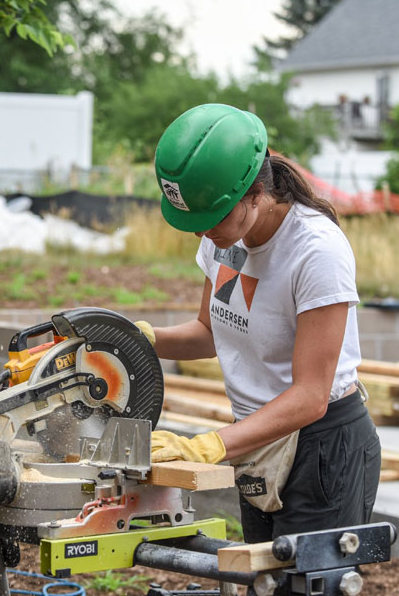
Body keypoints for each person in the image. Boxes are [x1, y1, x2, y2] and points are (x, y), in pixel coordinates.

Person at [140, 103, 381, 543]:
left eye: (210, 219)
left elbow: (311, 397)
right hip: (255, 437)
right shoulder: (222, 236)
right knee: (264, 582)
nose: (200, 233)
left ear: (254, 193)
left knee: (303, 586)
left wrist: (206, 445)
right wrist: (139, 339)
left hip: (320, 447)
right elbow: (209, 332)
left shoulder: (315, 251)